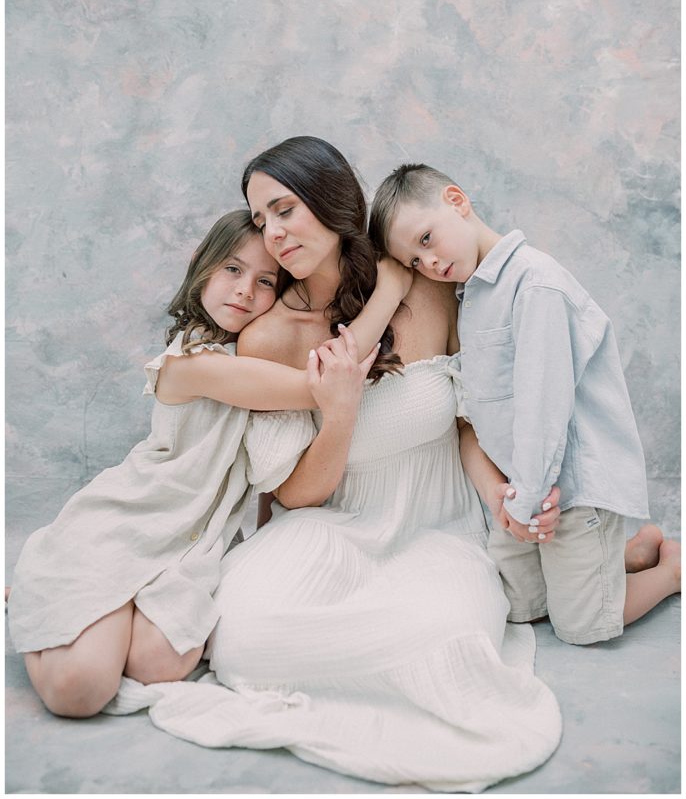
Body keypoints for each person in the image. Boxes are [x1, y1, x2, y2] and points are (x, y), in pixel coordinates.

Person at [106, 137, 563, 793]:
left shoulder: (421, 284)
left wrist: (496, 492)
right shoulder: (270, 336)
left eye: (285, 209)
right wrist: (340, 414)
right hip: (333, 522)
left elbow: (468, 418)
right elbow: (296, 498)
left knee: (445, 637)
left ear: (332, 198)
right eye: (261, 220)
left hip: (437, 525)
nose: (274, 233)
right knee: (245, 639)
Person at [8, 209, 406, 718]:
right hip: (128, 522)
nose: (245, 291)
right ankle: (48, 578)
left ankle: (107, 602)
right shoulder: (192, 364)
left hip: (193, 543)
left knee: (162, 664)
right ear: (202, 264)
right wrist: (389, 291)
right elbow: (324, 385)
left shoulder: (252, 349)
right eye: (232, 270)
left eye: (266, 281)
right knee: (80, 689)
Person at [368, 162, 681, 646]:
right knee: (518, 607)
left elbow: (544, 410)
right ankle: (628, 555)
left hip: (572, 488)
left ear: (457, 201)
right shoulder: (471, 294)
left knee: (582, 626)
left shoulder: (534, 284)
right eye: (413, 261)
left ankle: (671, 570)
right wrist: (515, 500)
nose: (427, 264)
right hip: (524, 488)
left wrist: (532, 503)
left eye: (426, 239)